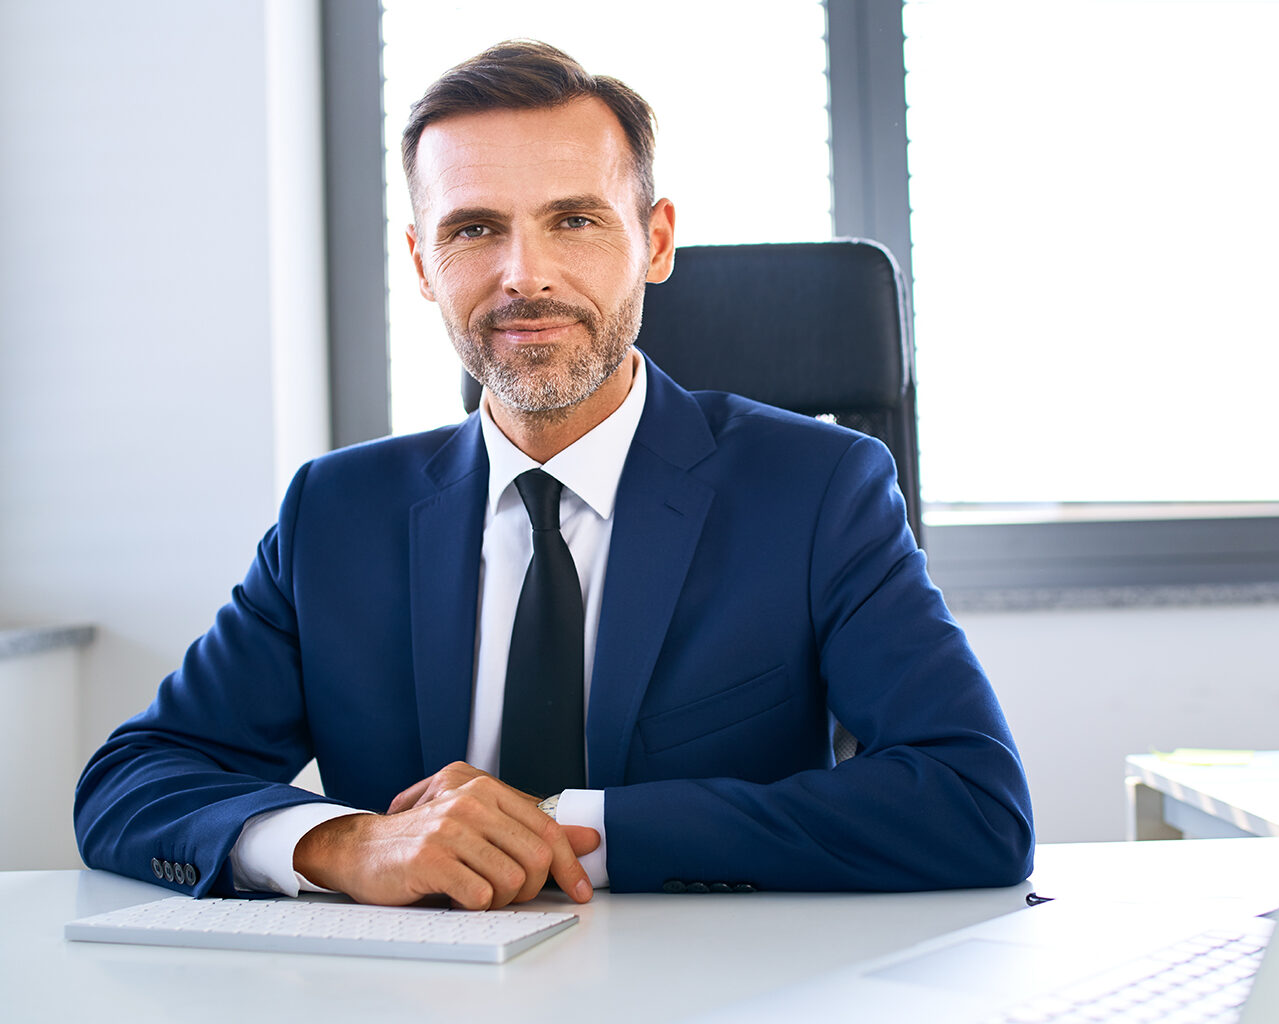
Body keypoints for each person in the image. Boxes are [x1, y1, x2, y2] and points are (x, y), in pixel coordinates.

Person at [74, 40, 1034, 910]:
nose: (523, 275)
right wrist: (344, 842)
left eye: (573, 220)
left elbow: (973, 800)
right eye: (473, 229)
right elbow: (133, 781)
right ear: (420, 262)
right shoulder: (336, 515)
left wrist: (587, 829)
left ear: (655, 242)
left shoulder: (819, 491)